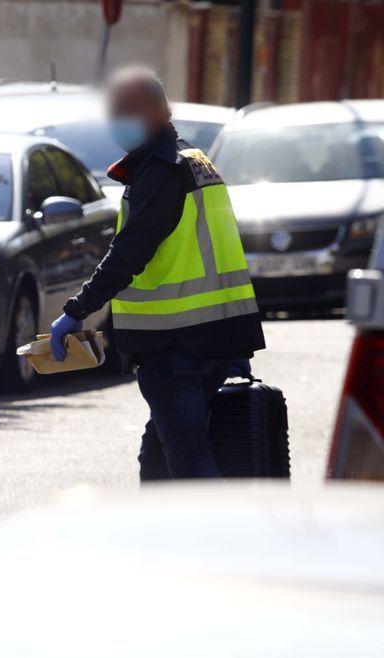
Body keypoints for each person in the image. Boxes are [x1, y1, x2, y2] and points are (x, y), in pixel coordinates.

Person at [49, 66, 264, 481]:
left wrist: (77, 311)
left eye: (130, 109)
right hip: (210, 339)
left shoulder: (162, 169)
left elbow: (131, 251)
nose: (119, 120)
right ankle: (162, 542)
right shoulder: (194, 162)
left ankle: (225, 544)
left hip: (176, 345)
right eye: (114, 111)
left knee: (187, 468)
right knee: (159, 462)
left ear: (161, 112)